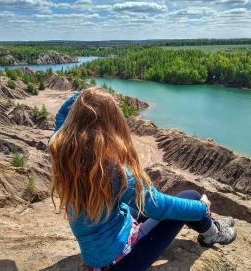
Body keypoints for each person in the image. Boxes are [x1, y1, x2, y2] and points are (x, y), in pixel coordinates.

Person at [49, 88, 237, 271]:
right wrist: (203, 207)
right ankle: (212, 233)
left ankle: (209, 223)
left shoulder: (62, 150)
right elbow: (158, 207)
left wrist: (84, 98)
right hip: (121, 262)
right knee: (192, 196)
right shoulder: (111, 169)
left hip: (100, 248)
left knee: (143, 206)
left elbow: (61, 118)